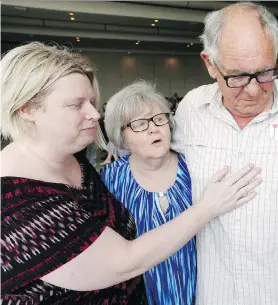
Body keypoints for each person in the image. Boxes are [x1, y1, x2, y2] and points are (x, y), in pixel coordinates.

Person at [0, 42, 262, 304]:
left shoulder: (72, 159)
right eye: (76, 104)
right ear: (27, 108)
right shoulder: (13, 203)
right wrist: (206, 208)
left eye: (91, 102)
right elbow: (124, 261)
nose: (93, 113)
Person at [172, 2, 278, 304]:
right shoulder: (192, 109)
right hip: (211, 293)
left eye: (265, 72)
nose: (255, 90)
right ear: (209, 63)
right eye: (238, 77)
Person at [100, 80, 197, 305]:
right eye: (140, 124)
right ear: (121, 136)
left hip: (200, 291)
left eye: (159, 118)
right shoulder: (110, 179)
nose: (154, 128)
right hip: (140, 294)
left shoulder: (194, 168)